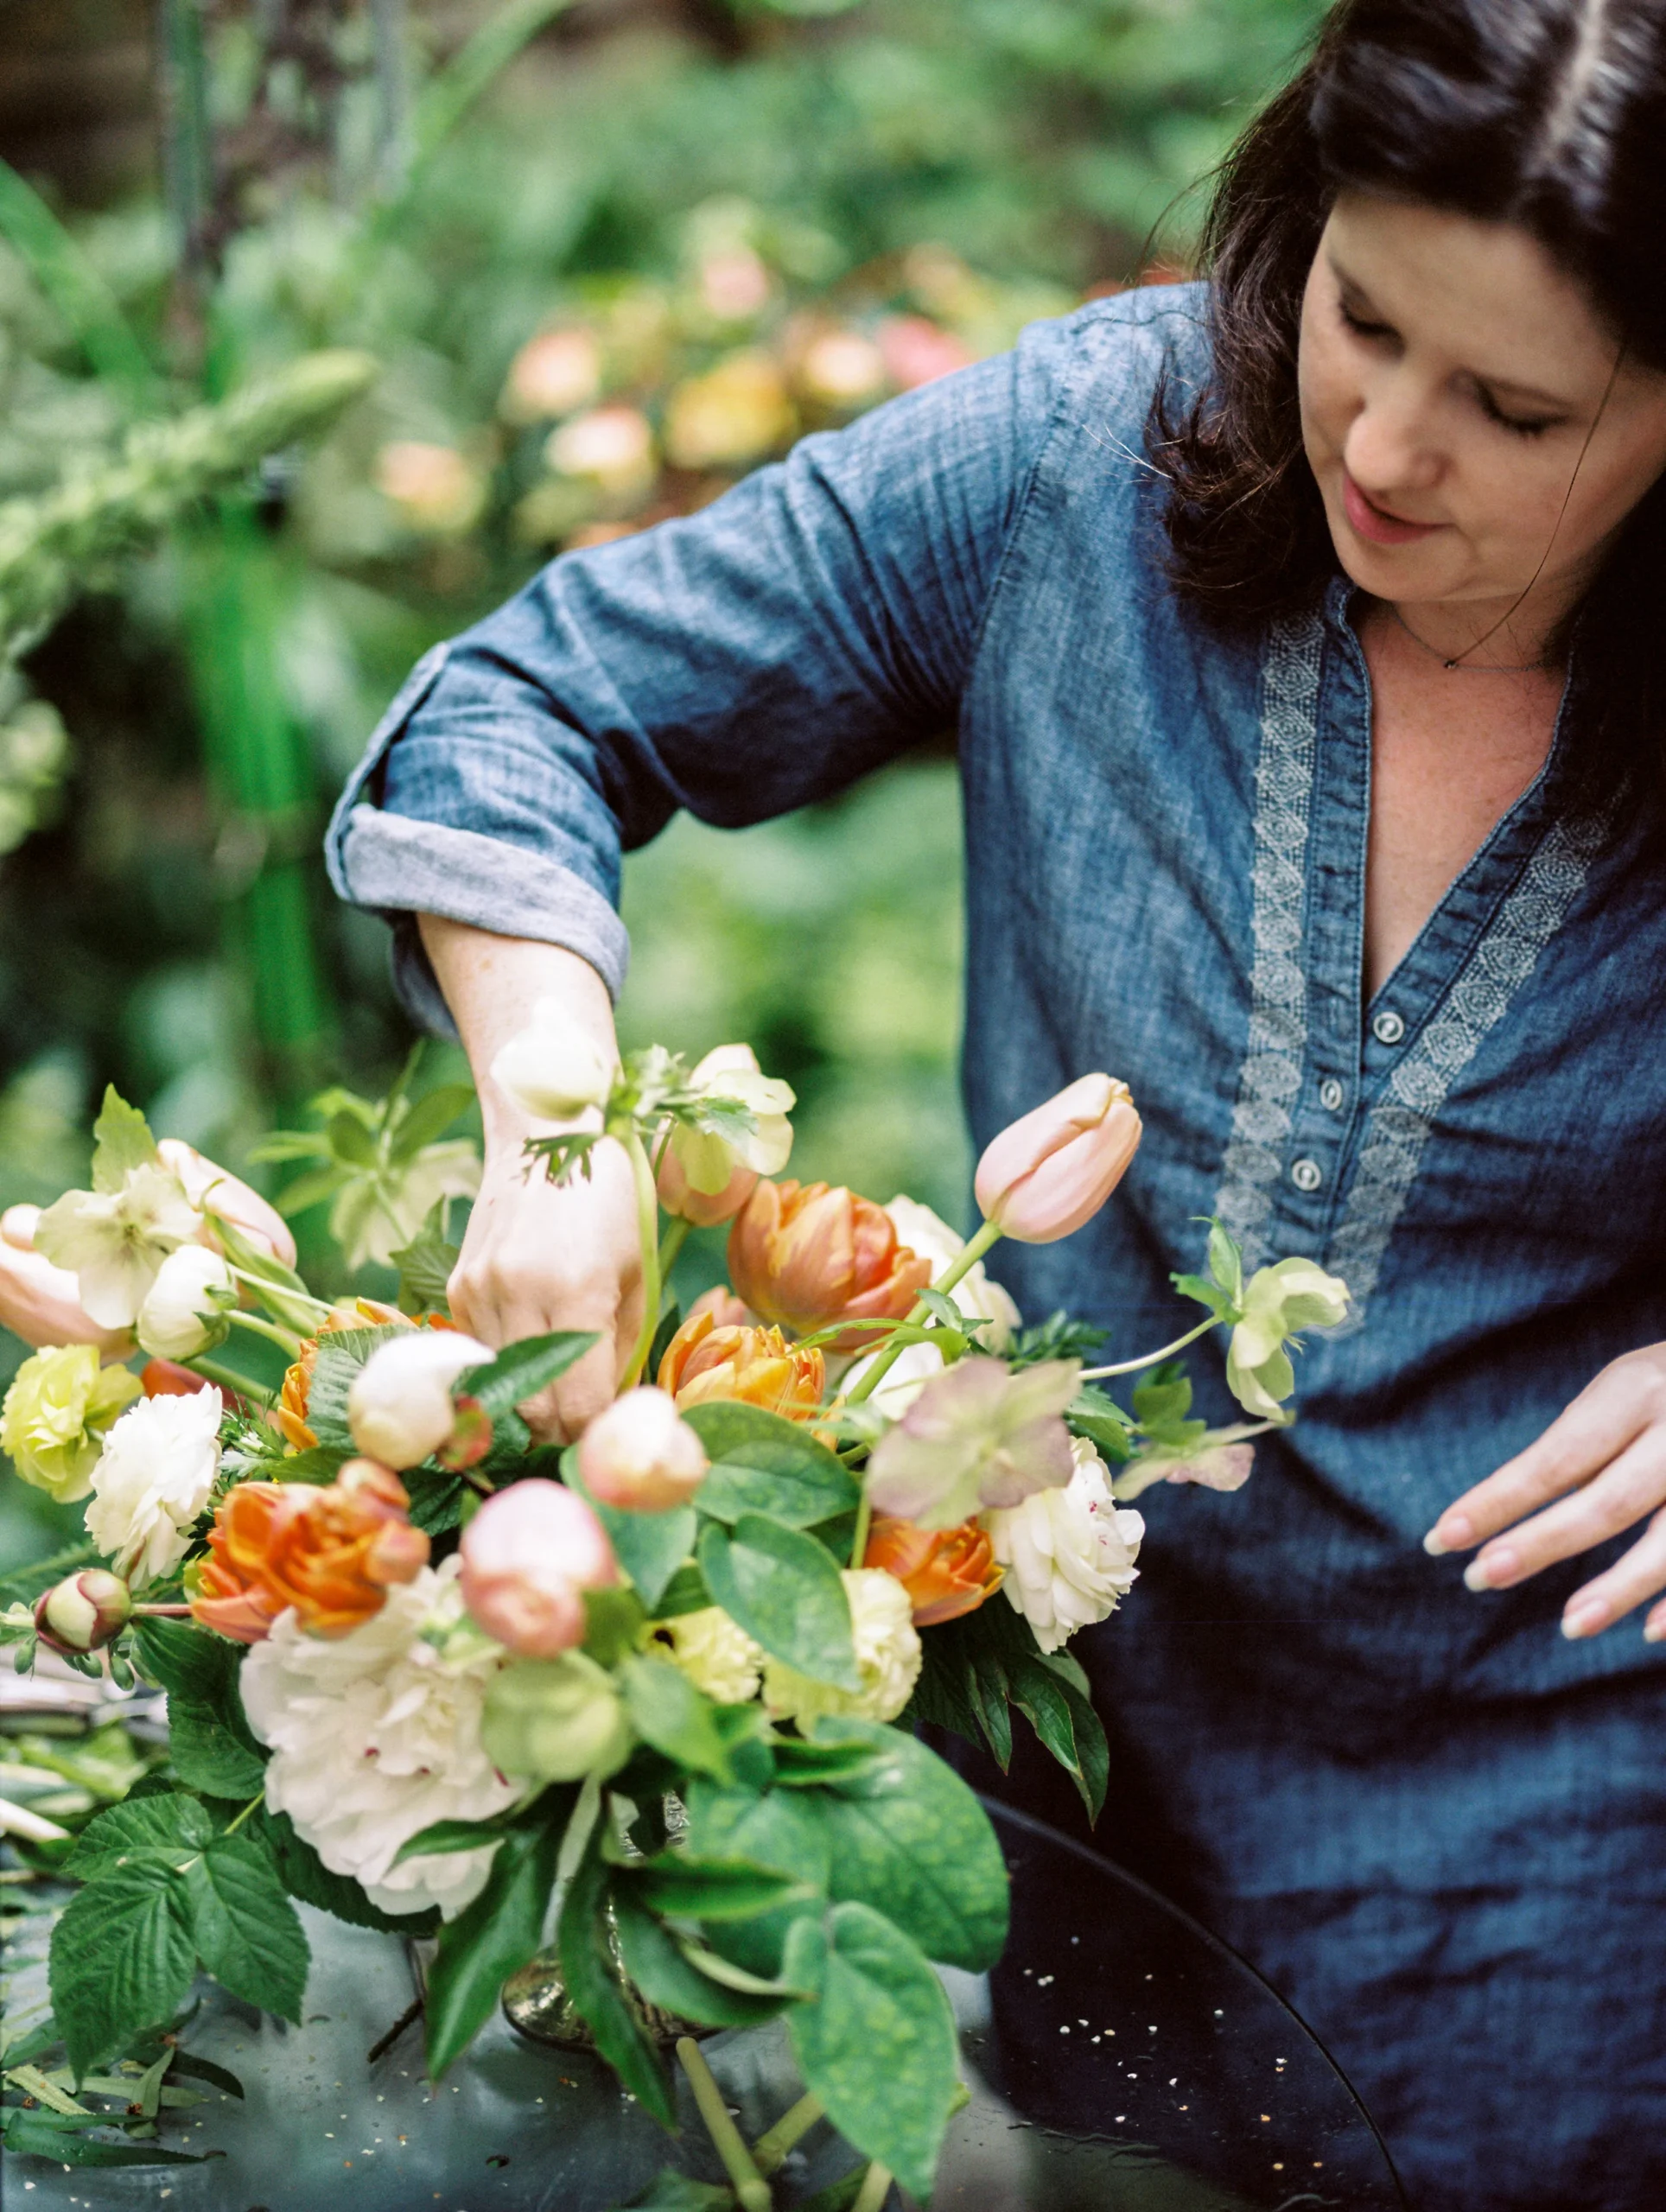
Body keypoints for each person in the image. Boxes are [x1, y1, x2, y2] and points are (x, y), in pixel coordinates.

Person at [326, 2, 1666, 2203]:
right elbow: (526, 703)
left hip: (1567, 1806)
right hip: (1070, 1753)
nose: (1388, 444)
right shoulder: (1089, 458)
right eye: (1360, 313)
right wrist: (557, 1121)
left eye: (1513, 405)